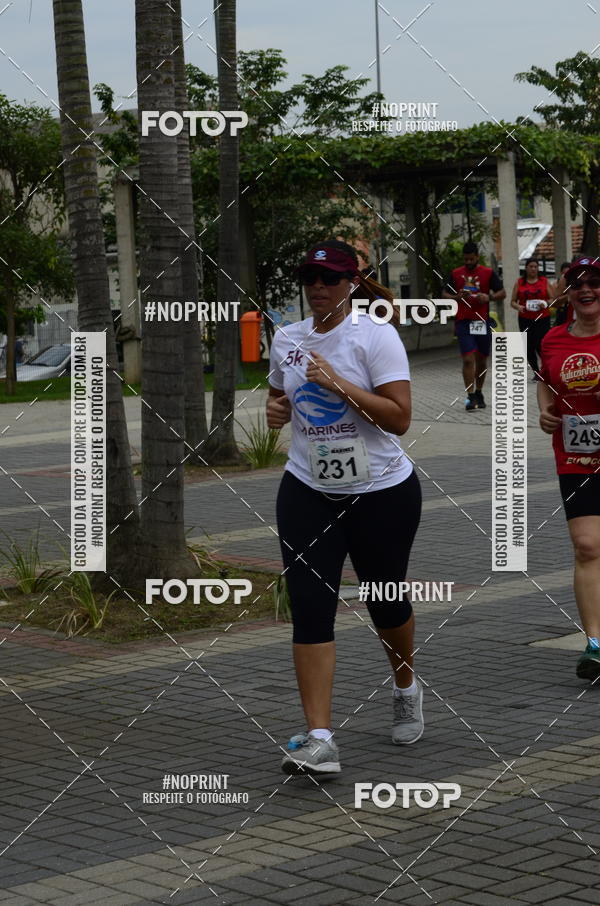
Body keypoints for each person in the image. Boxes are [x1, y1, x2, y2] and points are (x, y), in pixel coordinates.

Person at [266, 239, 423, 776]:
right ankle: (319, 739)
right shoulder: (287, 337)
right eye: (309, 277)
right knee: (311, 606)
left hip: (381, 491)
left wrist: (338, 382)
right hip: (307, 488)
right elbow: (280, 396)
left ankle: (405, 686)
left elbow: (399, 418)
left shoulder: (375, 335)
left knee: (385, 601)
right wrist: (277, 410)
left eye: (329, 278)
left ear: (351, 283)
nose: (317, 286)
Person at [538, 255, 600, 680]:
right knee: (587, 546)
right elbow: (545, 381)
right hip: (577, 455)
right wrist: (545, 411)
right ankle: (595, 644)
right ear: (567, 292)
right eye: (577, 283)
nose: (586, 289)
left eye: (594, 282)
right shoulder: (553, 339)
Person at [442, 241, 505, 411]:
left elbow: (502, 293)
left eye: (471, 259)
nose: (468, 262)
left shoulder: (488, 273)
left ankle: (479, 392)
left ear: (477, 257)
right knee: (468, 359)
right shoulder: (456, 274)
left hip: (481, 321)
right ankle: (470, 396)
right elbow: (444, 294)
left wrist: (488, 297)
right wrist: (456, 297)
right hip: (463, 322)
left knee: (482, 360)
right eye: (465, 259)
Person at [510, 258, 552, 379]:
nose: (533, 269)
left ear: (538, 268)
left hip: (542, 318)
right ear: (526, 268)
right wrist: (519, 307)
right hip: (525, 318)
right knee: (528, 346)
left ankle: (546, 370)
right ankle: (536, 372)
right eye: (531, 266)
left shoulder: (544, 281)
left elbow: (553, 299)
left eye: (535, 267)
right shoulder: (519, 282)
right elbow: (512, 302)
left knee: (542, 345)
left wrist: (545, 303)